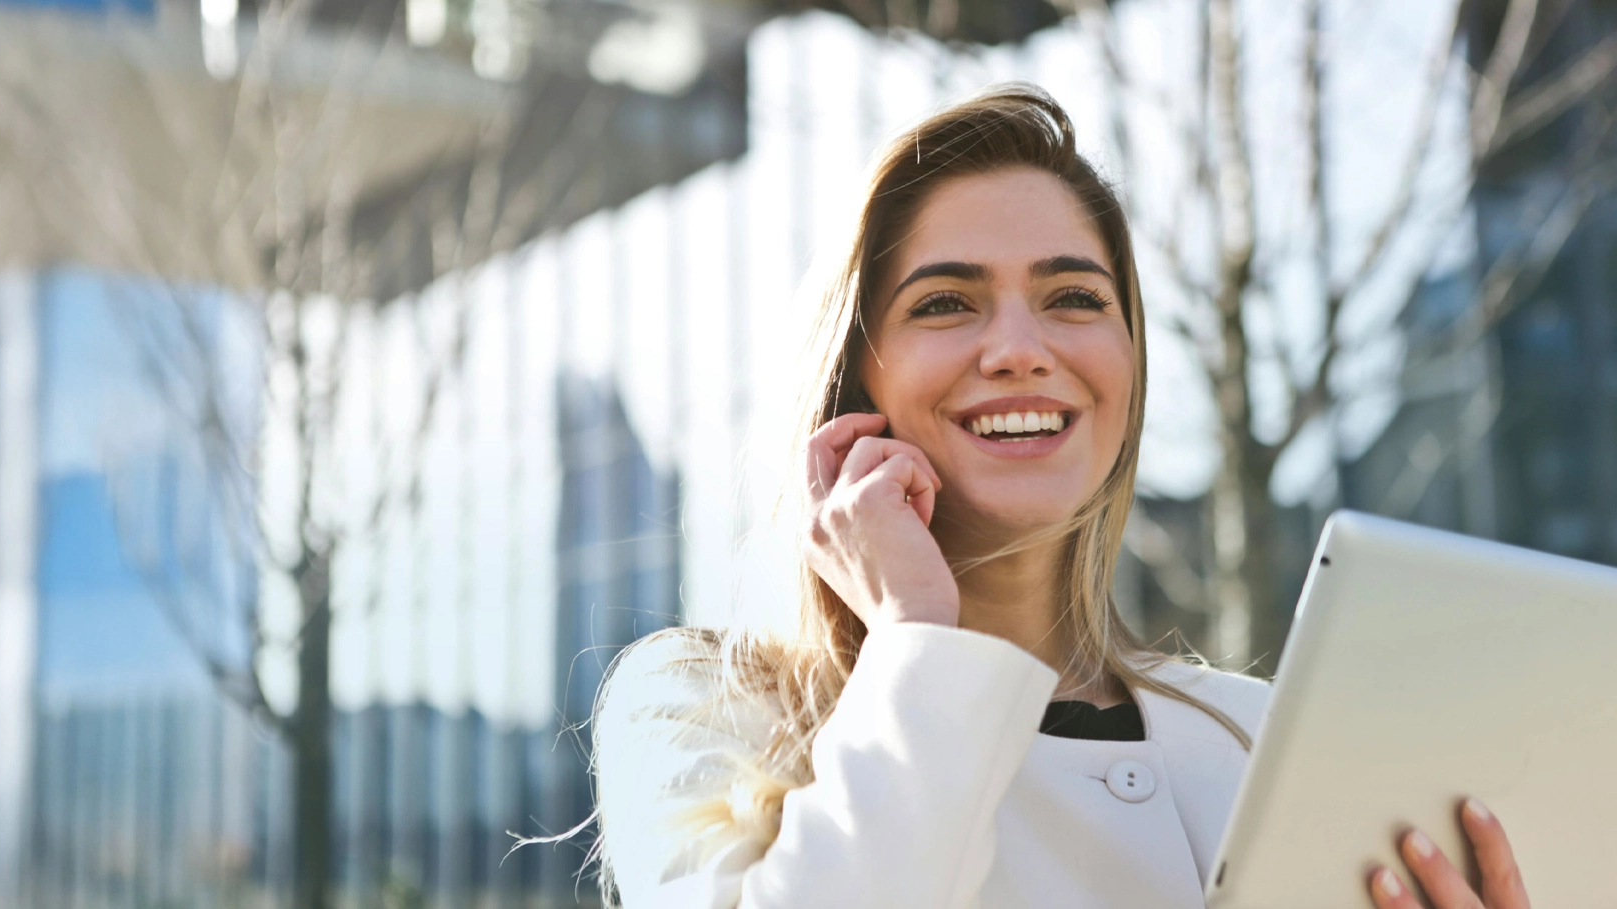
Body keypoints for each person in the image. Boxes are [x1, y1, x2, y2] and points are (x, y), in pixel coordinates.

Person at [587, 85, 1529, 909]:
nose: (1019, 348)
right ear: (856, 382)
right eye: (946, 302)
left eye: (1074, 297)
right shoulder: (696, 708)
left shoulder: (1261, 736)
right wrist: (919, 635)